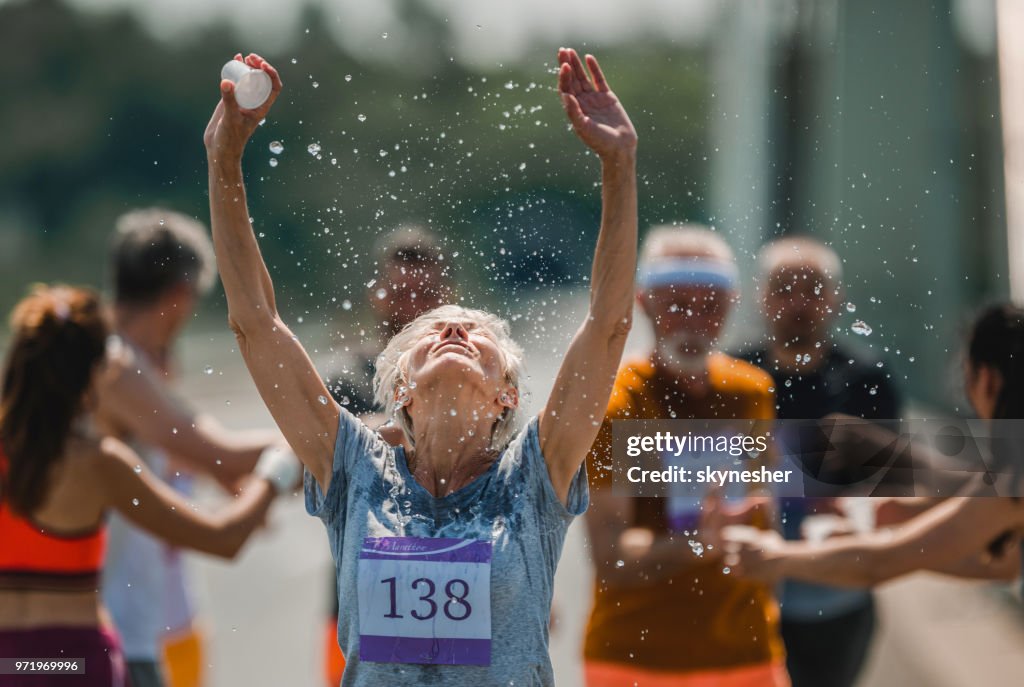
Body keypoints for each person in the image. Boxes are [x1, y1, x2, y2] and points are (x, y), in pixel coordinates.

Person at [204, 48, 637, 685]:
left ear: (505, 395)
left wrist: (618, 166)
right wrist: (224, 161)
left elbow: (607, 325)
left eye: (479, 335)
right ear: (400, 385)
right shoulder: (353, 467)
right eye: (432, 333)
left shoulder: (534, 472)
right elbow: (255, 323)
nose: (455, 330)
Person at [0, 285, 295, 687]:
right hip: (79, 664)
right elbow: (224, 538)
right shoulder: (99, 463)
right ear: (93, 373)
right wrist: (276, 472)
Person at [583, 224, 789, 687]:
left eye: (710, 305)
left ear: (732, 304)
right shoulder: (618, 403)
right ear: (643, 302)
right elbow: (612, 556)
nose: (694, 320)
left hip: (749, 652)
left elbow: (764, 511)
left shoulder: (752, 391)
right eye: (676, 303)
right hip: (636, 658)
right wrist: (698, 544)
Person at [96, 209, 282, 687]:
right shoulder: (115, 365)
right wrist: (338, 441)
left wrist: (227, 475)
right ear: (180, 295)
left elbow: (188, 452)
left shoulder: (110, 358)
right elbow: (221, 452)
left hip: (132, 619)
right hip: (116, 628)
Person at [723, 303, 1024, 587]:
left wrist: (775, 556)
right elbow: (999, 560)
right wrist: (880, 525)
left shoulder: (1013, 477)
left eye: (966, 378)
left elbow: (879, 564)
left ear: (987, 380)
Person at [735, 237, 901, 687]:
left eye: (812, 289)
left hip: (837, 596)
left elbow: (893, 484)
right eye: (784, 289)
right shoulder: (734, 377)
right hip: (746, 594)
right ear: (761, 296)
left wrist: (857, 504)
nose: (798, 303)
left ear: (836, 298)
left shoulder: (865, 379)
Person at [321, 225, 454, 685]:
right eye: (401, 294)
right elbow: (322, 450)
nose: (413, 308)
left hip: (460, 582)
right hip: (361, 593)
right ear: (377, 295)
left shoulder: (472, 375)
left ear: (447, 297)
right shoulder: (348, 375)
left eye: (426, 296)